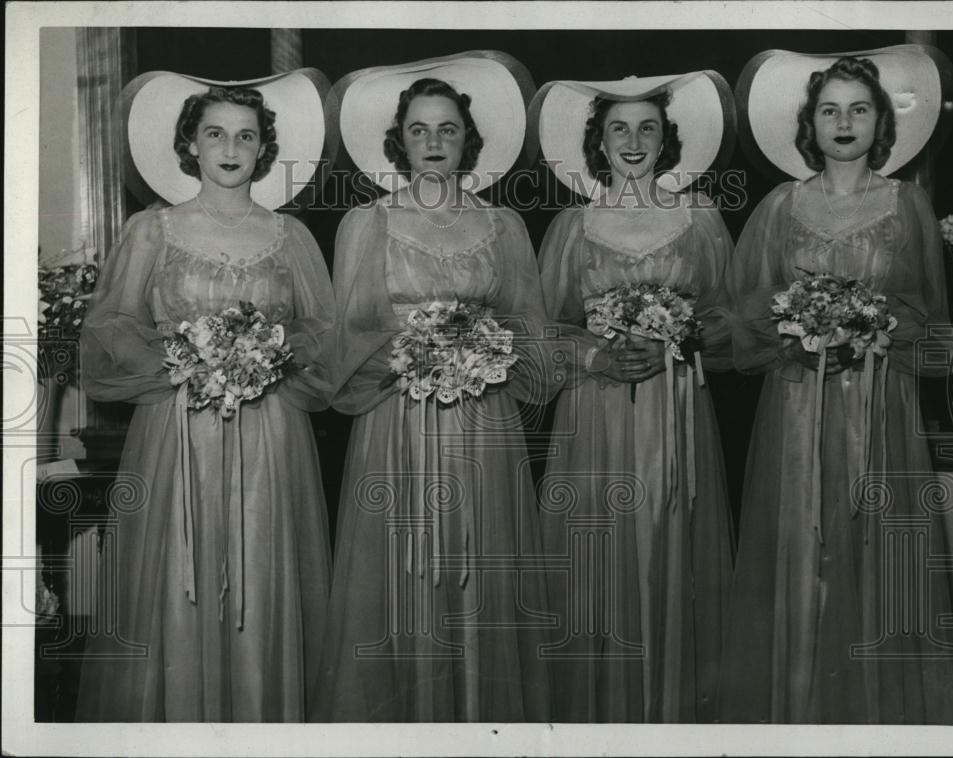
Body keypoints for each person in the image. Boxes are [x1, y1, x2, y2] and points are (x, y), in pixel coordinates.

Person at [75, 72, 337, 722]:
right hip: (177, 426)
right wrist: (184, 356)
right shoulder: (150, 229)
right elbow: (110, 325)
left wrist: (267, 355)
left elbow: (326, 332)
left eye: (246, 136)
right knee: (175, 581)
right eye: (214, 133)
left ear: (263, 149)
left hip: (270, 435)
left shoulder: (291, 237)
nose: (230, 147)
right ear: (190, 144)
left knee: (263, 569)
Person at [720, 49, 953, 724]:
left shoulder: (906, 203)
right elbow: (745, 318)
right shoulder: (780, 206)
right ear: (811, 125)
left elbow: (930, 320)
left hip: (879, 405)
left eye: (859, 109)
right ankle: (797, 705)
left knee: (874, 540)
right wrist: (796, 338)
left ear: (881, 122)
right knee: (801, 540)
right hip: (797, 403)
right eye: (830, 110)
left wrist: (875, 329)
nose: (845, 122)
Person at [309, 52, 555, 722]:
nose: (435, 142)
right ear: (399, 143)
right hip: (397, 423)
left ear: (468, 141)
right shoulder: (368, 223)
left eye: (448, 129)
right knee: (400, 571)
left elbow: (529, 331)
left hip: (483, 423)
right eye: (420, 130)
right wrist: (406, 355)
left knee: (484, 568)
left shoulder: (503, 226)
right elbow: (346, 335)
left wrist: (487, 352)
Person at [531, 73, 737, 722]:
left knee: (672, 548)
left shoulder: (700, 218)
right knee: (600, 556)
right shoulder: (572, 225)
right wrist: (597, 353)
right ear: (598, 140)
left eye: (648, 127)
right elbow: (543, 330)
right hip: (593, 413)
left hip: (676, 410)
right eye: (618, 128)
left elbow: (732, 319)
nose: (633, 140)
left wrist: (680, 339)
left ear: (667, 139)